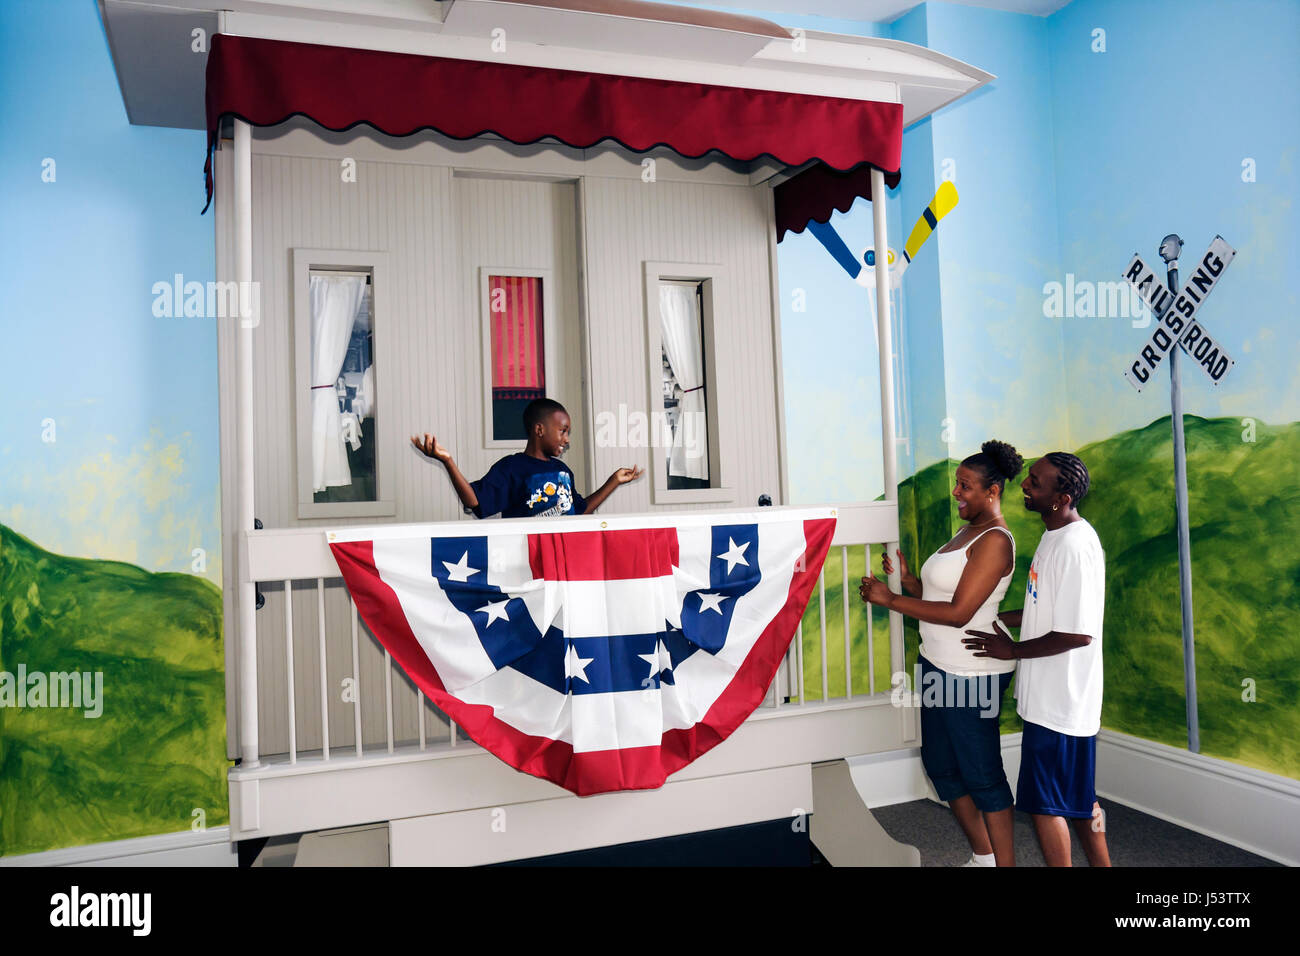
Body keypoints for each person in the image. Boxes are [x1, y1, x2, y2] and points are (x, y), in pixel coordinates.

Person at [861, 440, 1023, 867]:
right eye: (957, 484)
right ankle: (983, 857)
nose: (957, 493)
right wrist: (907, 580)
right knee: (942, 766)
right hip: (936, 664)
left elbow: (958, 613)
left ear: (993, 491)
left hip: (973, 672)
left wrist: (889, 600)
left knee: (982, 774)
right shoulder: (967, 529)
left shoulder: (995, 540)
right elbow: (937, 595)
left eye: (966, 486)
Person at [962, 452, 1110, 867]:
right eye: (1029, 477)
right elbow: (1044, 612)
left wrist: (1011, 650)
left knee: (1047, 806)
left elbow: (1077, 633)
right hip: (1055, 701)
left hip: (1060, 703)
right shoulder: (1055, 536)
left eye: (1036, 482)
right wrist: (990, 617)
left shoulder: (1076, 547)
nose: (1025, 485)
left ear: (1061, 497)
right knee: (1079, 801)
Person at [411, 398, 642, 518]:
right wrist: (448, 461)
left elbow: (580, 511)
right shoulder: (512, 468)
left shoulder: (562, 470)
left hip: (564, 560)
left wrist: (613, 481)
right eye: (563, 431)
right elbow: (475, 501)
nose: (567, 439)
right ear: (539, 430)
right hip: (528, 564)